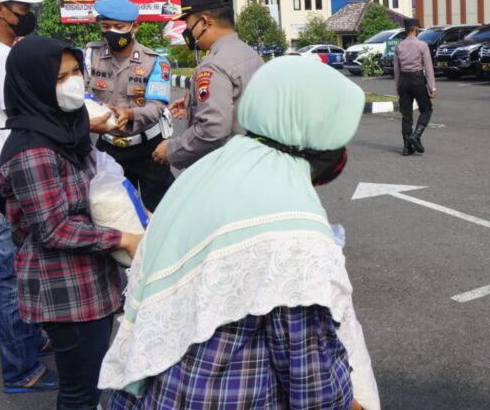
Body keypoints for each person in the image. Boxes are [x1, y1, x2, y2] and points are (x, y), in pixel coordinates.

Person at [101, 57, 379, 410]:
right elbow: (309, 373)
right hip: (225, 395)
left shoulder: (214, 168)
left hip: (154, 387)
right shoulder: (290, 223)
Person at [0, 37, 143, 410]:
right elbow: (53, 228)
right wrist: (123, 237)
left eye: (76, 71)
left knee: (92, 381)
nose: (74, 82)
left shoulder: (64, 129)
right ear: (34, 85)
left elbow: (95, 190)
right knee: (80, 393)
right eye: (60, 77)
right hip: (65, 291)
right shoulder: (33, 152)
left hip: (90, 279)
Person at [0, 0, 57, 394]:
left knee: (26, 272)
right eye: (21, 7)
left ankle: (30, 340)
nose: (28, 14)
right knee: (13, 278)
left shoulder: (0, 50)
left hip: (3, 179)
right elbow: (24, 107)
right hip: (2, 185)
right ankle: (19, 370)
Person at [152, 0, 263, 169]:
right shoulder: (249, 53)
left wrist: (171, 150)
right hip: (253, 158)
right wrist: (193, 103)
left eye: (187, 24)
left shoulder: (213, 65)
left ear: (204, 22)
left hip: (227, 166)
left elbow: (213, 129)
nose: (187, 32)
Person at [85, 0, 174, 211]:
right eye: (106, 26)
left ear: (135, 26)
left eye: (119, 27)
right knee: (117, 212)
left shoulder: (155, 62)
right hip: (108, 148)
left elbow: (156, 107)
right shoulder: (90, 56)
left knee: (162, 211)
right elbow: (80, 95)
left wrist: (130, 114)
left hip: (149, 150)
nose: (111, 32)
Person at [393, 17, 436, 156]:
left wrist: (398, 87)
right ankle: (416, 136)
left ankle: (407, 147)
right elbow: (428, 68)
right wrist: (432, 87)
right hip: (417, 80)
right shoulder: (422, 45)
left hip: (404, 81)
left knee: (406, 115)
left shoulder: (399, 46)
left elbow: (396, 69)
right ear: (416, 29)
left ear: (406, 30)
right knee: (426, 109)